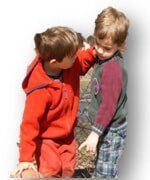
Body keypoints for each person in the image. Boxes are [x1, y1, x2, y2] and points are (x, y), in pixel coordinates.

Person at [11, 26, 96, 178]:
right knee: (51, 169)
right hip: (46, 139)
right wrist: (25, 158)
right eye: (72, 55)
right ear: (55, 61)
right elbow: (29, 124)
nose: (77, 56)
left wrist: (97, 50)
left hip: (67, 135)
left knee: (67, 169)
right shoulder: (39, 90)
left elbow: (85, 59)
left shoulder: (70, 65)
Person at [79, 7, 130, 178]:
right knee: (102, 164)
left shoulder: (112, 70)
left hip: (112, 131)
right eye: (97, 44)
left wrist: (95, 132)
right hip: (105, 127)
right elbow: (98, 51)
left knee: (105, 172)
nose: (99, 51)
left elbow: (108, 106)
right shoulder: (106, 57)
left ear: (120, 45)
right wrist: (89, 48)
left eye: (106, 48)